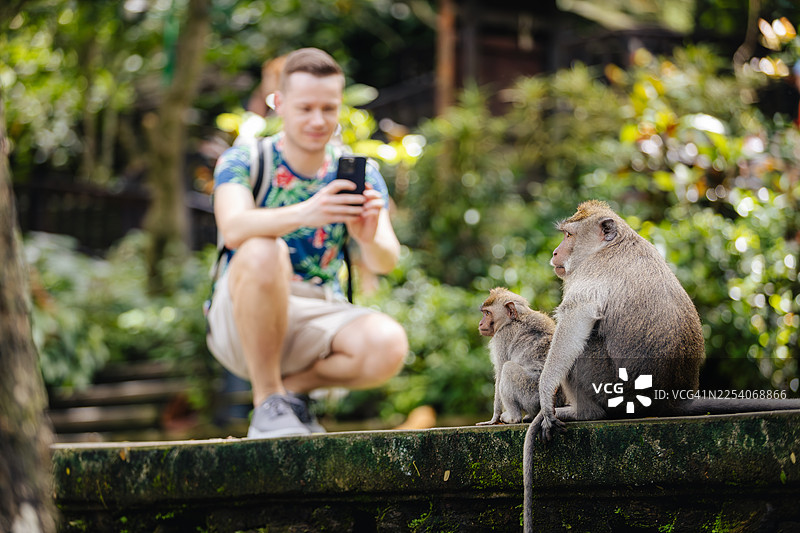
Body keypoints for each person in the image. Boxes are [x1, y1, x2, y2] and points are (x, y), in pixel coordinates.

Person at [206, 48, 408, 438]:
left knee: (389, 343)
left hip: (316, 313)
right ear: (279, 104)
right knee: (263, 248)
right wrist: (308, 212)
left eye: (329, 108)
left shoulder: (357, 172)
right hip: (240, 315)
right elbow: (233, 228)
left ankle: (289, 395)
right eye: (306, 108)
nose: (319, 121)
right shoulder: (244, 159)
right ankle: (266, 401)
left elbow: (386, 259)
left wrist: (367, 237)